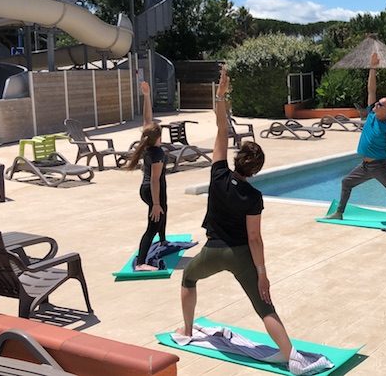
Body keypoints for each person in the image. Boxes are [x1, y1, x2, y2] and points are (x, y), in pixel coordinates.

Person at [176, 72, 305, 370]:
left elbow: (221, 128)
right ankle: (291, 356)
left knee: (188, 278)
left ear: (237, 159)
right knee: (264, 307)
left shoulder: (217, 173)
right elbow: (255, 239)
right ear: (256, 170)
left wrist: (221, 95)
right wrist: (262, 274)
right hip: (241, 256)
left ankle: (187, 330)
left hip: (212, 251)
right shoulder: (253, 196)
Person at [323, 52, 386, 233]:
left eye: (380, 104)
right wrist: (373, 68)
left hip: (380, 167)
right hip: (365, 166)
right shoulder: (371, 115)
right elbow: (371, 90)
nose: (376, 105)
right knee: (346, 183)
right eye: (377, 103)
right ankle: (339, 213)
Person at [123, 81, 167, 272]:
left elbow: (147, 119)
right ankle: (141, 263)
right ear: (158, 137)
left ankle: (163, 241)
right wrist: (156, 204)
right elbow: (156, 180)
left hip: (148, 189)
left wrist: (147, 96)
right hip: (152, 190)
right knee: (153, 224)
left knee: (163, 214)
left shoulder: (147, 143)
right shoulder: (157, 154)